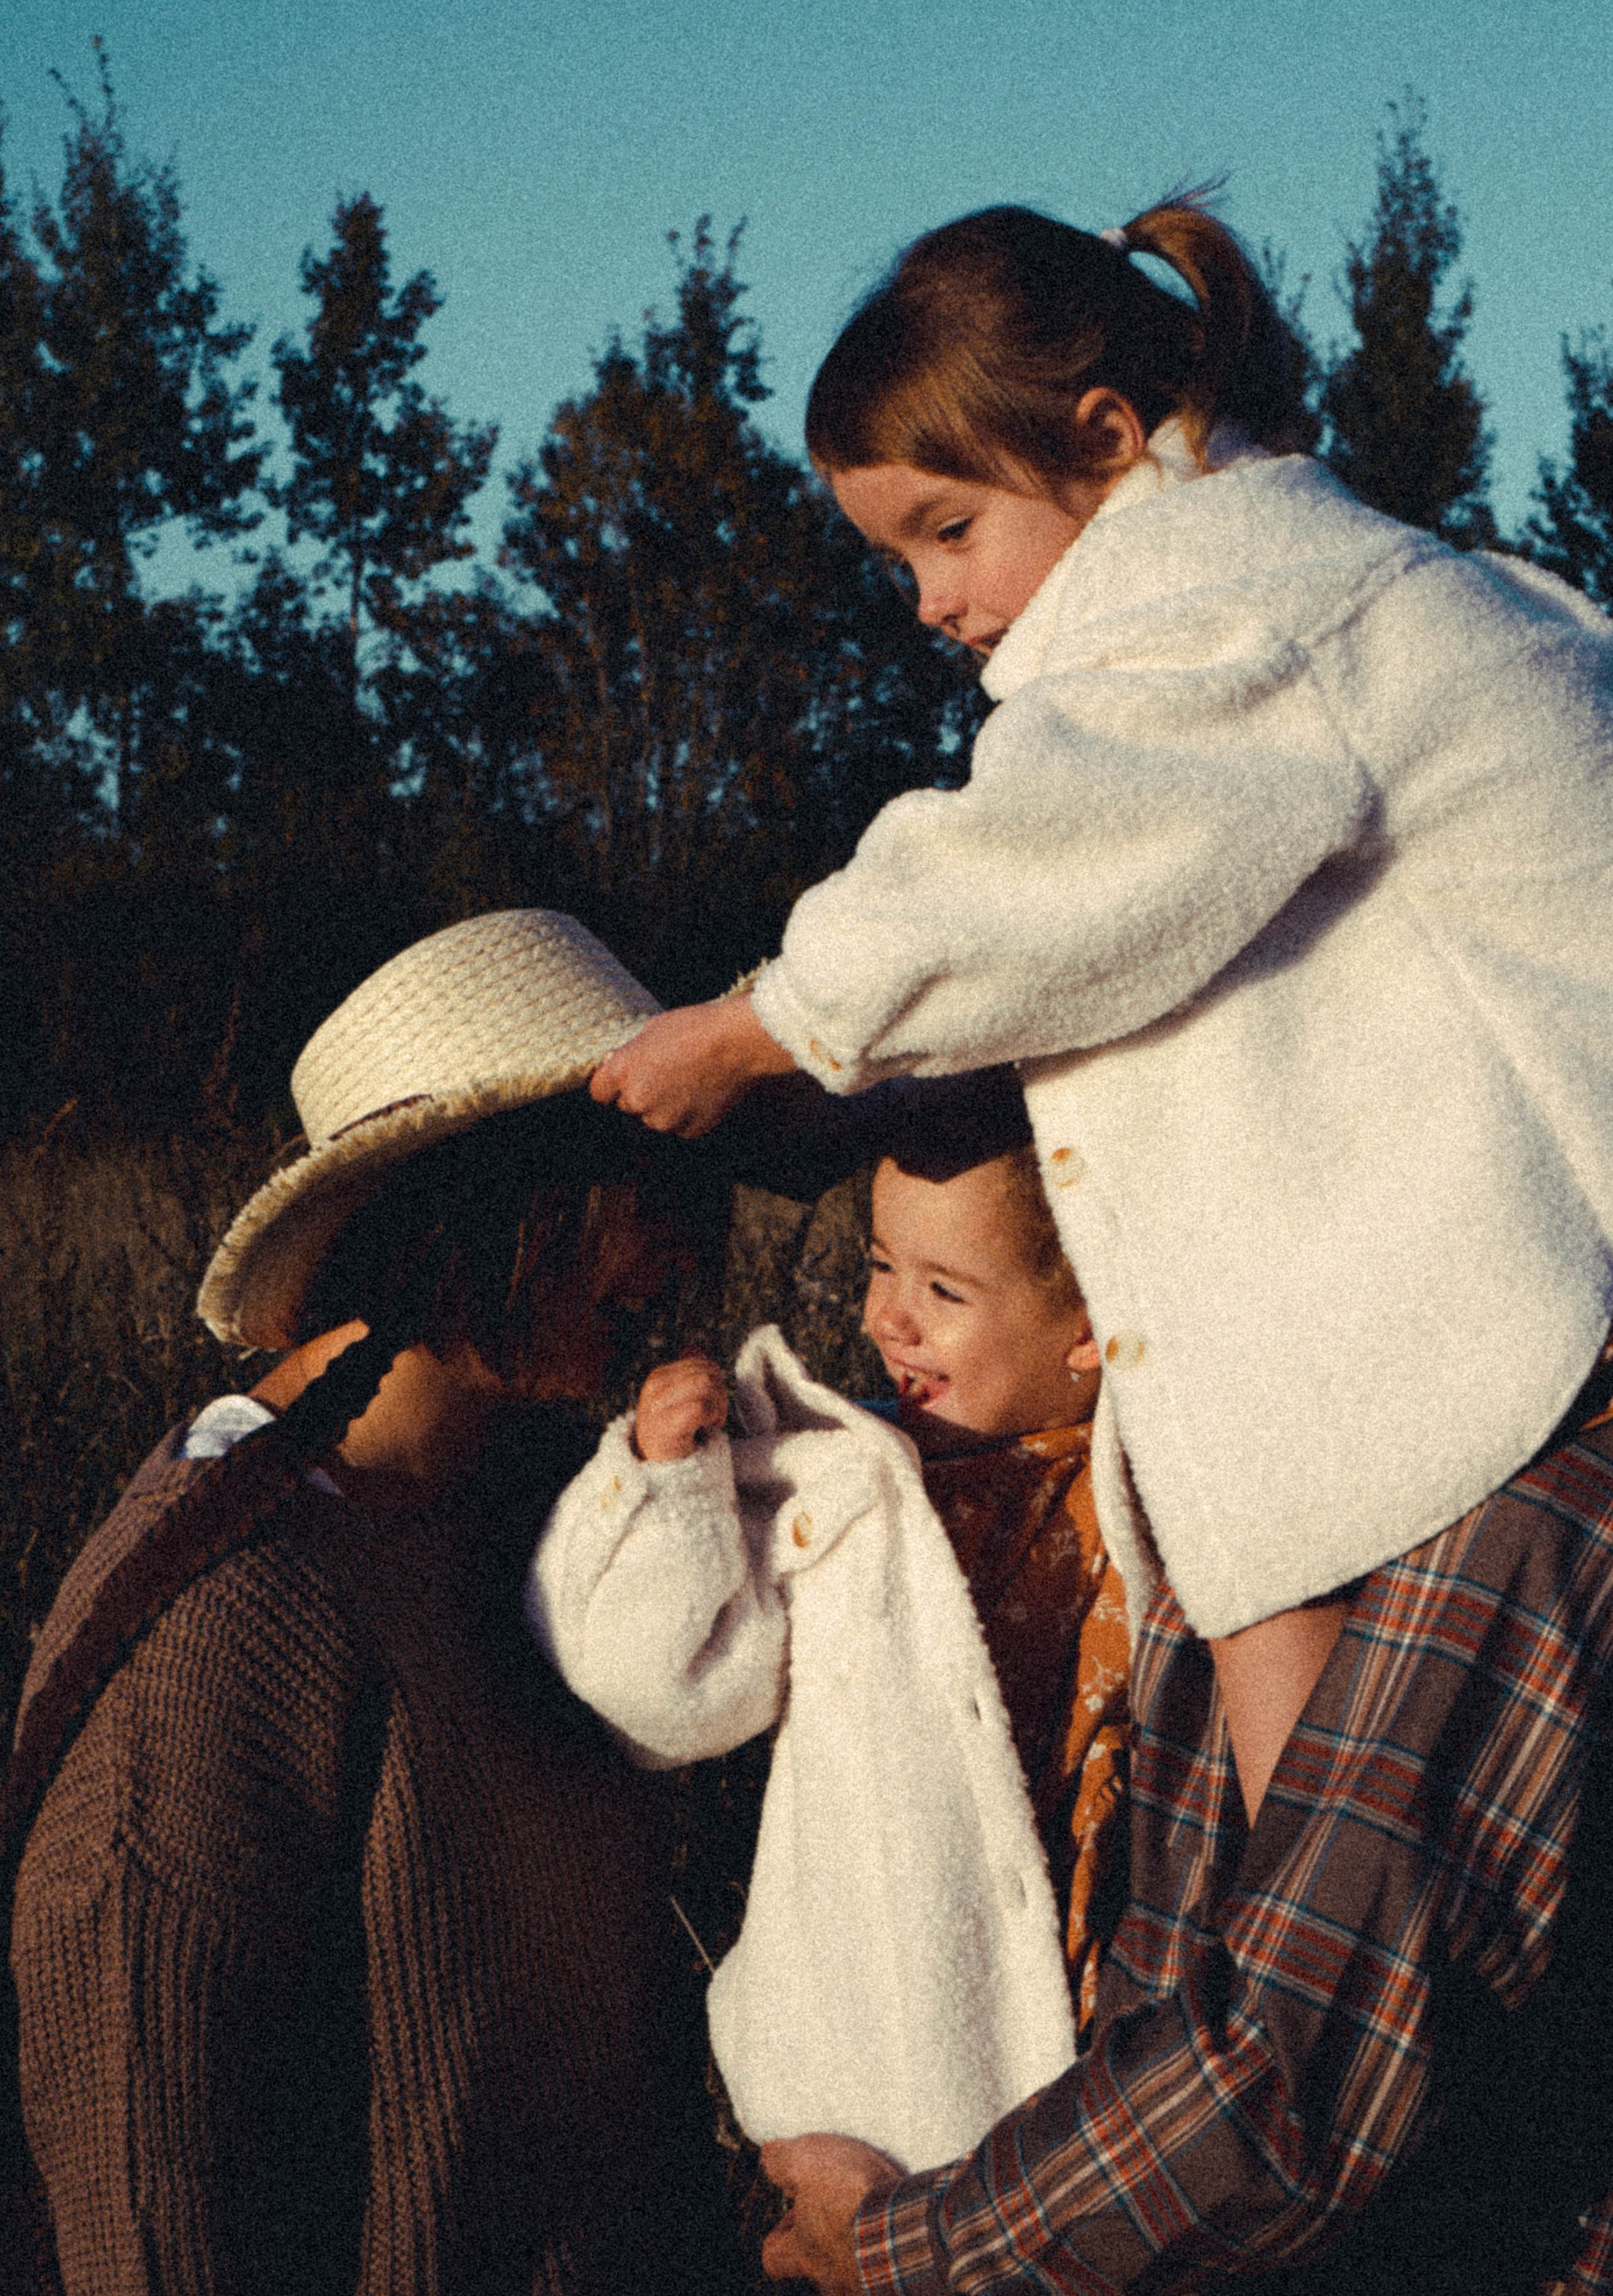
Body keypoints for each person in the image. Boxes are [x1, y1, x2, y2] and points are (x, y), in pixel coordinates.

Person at [580, 202, 1613, 2290]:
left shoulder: (1238, 603)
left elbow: (1029, 874)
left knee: (1305, 1990)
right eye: (900, 561)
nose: (936, 605)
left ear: (1112, 436)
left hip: (1542, 1333)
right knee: (1259, 1853)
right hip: (1413, 1313)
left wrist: (761, 1022)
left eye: (950, 533)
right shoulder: (1310, 597)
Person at [8, 908, 746, 2296]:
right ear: (484, 1201)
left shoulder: (536, 1502)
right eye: (632, 1199)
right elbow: (145, 2197)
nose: (675, 1256)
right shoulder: (221, 1622)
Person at [527, 1072, 1130, 2175]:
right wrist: (667, 1492)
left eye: (944, 1291)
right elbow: (656, 1695)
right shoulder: (842, 1486)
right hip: (892, 2068)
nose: (882, 1318)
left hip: (1113, 2042)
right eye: (879, 1266)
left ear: (1091, 1330)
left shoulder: (1153, 1490)